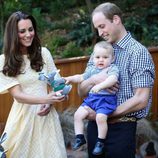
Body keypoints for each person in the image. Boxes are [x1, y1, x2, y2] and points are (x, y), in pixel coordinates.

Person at [78, 2, 155, 158]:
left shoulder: (138, 52)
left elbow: (141, 99)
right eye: (97, 28)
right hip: (94, 128)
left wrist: (105, 114)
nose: (100, 33)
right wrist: (94, 79)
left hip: (121, 129)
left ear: (116, 19)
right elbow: (81, 90)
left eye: (102, 26)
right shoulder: (98, 53)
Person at [0, 11, 67, 158]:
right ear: (13, 34)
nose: (28, 34)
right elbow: (18, 96)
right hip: (22, 120)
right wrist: (47, 99)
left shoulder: (44, 53)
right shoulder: (4, 60)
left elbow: (57, 84)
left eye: (30, 29)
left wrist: (52, 101)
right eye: (22, 31)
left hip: (46, 118)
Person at [64, 41, 119, 155]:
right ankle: (79, 137)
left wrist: (100, 86)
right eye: (97, 57)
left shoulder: (112, 68)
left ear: (112, 59)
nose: (101, 60)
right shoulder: (92, 70)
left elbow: (112, 79)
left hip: (105, 101)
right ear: (93, 58)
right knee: (78, 115)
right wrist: (68, 78)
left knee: (100, 118)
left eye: (105, 57)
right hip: (92, 100)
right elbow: (80, 77)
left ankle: (100, 141)